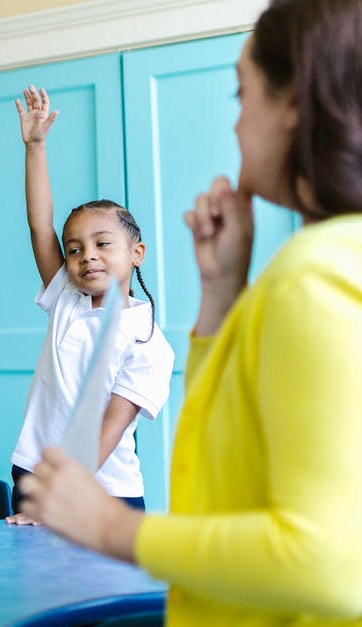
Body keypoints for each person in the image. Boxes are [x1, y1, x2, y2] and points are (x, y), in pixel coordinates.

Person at [19, 0, 362, 622]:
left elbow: (331, 563)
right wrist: (222, 294)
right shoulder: (327, 268)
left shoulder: (316, 280)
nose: (235, 124)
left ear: (294, 104)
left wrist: (109, 527)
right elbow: (230, 458)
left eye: (241, 93)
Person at [6, 86, 174, 525]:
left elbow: (109, 429)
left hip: (104, 493)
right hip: (35, 474)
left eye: (102, 244)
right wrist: (35, 147)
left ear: (136, 253)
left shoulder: (148, 340)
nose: (87, 257)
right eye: (75, 249)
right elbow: (39, 224)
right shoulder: (67, 298)